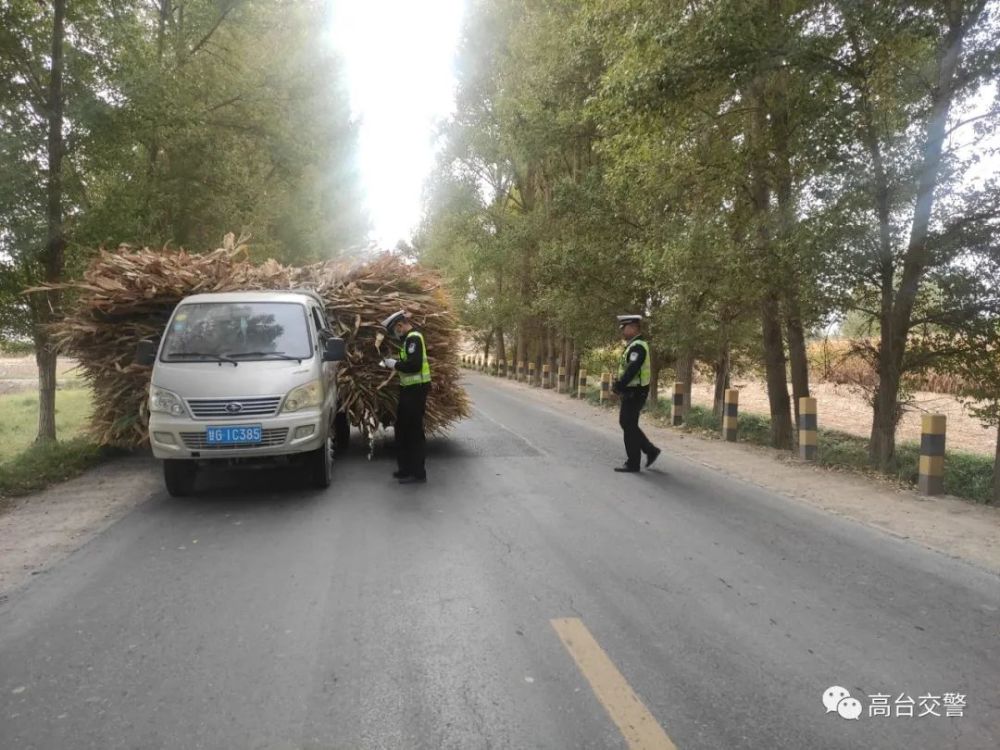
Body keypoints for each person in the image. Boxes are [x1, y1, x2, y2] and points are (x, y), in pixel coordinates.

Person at [380, 310, 431, 484]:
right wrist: (393, 361)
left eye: (395, 331)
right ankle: (405, 469)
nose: (396, 335)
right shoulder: (408, 340)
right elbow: (409, 362)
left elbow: (414, 365)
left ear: (400, 326)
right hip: (408, 390)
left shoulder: (414, 338)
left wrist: (394, 364)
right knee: (402, 429)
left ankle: (417, 473)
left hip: (416, 391)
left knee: (413, 432)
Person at [612, 314, 661, 473]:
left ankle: (634, 462)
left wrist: (619, 385)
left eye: (624, 328)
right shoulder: (634, 345)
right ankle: (650, 450)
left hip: (635, 391)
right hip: (632, 391)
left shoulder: (638, 346)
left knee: (628, 424)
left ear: (633, 327)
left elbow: (632, 368)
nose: (622, 331)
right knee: (628, 423)